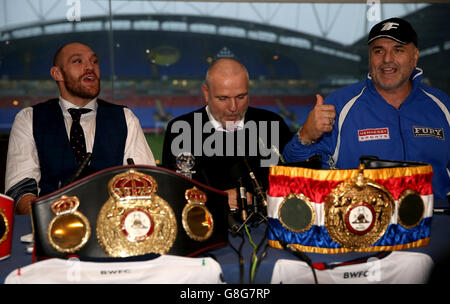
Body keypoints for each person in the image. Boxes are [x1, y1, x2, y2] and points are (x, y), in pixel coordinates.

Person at [282, 17, 450, 204]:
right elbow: (291, 169)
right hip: (360, 226)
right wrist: (305, 136)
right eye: (379, 51)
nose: (387, 59)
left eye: (398, 50)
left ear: (415, 56)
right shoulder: (340, 104)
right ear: (370, 57)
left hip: (435, 224)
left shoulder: (442, 105)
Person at [5, 42, 156, 214]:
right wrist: (51, 220)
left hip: (112, 229)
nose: (90, 67)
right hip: (51, 231)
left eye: (94, 61)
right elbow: (20, 191)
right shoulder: (29, 119)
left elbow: (146, 182)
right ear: (57, 73)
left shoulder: (125, 117)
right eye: (77, 61)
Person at [162, 58, 293, 209]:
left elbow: (295, 183)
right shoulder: (180, 130)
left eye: (241, 97)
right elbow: (172, 193)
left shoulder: (272, 123)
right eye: (223, 98)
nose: (233, 107)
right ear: (206, 93)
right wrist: (214, 200)